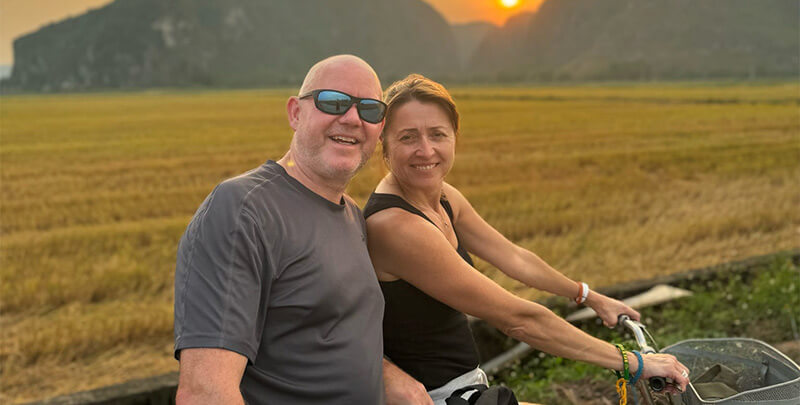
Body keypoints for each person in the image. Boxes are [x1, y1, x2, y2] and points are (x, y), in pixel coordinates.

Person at [365, 74, 691, 405]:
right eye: (408, 137)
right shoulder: (396, 226)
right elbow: (518, 320)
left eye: (437, 134)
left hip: (467, 388)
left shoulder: (443, 196)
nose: (426, 150)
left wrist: (588, 296)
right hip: (432, 398)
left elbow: (515, 258)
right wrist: (632, 362)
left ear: (454, 138)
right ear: (385, 145)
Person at [173, 55, 389, 404]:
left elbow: (327, 332)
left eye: (370, 109)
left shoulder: (352, 215)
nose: (352, 119)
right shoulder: (244, 210)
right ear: (295, 113)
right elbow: (206, 393)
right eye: (332, 101)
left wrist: (390, 378)